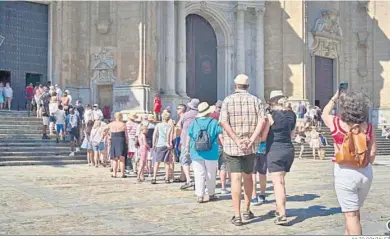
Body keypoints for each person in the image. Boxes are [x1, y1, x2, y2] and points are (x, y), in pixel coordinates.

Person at [322, 90, 376, 235]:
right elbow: (372, 154)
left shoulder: (335, 123)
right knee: (354, 213)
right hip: (365, 173)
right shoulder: (369, 127)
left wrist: (334, 98)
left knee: (351, 216)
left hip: (344, 172)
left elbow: (324, 113)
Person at [219, 74, 266, 226]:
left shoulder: (228, 100)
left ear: (235, 86)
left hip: (233, 146)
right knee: (248, 177)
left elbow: (224, 122)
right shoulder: (256, 100)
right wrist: (252, 139)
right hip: (250, 147)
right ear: (248, 86)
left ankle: (237, 215)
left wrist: (236, 139)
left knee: (235, 179)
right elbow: (262, 120)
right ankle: (247, 209)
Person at [186, 102, 222, 203]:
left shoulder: (194, 122)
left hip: (196, 151)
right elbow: (220, 134)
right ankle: (211, 194)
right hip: (212, 151)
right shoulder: (214, 122)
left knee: (198, 174)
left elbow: (188, 136)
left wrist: (187, 148)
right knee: (211, 174)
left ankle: (200, 195)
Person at [209, 100, 230, 194]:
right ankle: (223, 187)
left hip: (213, 145)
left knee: (211, 167)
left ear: (215, 106)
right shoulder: (224, 117)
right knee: (223, 166)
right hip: (222, 144)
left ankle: (210, 187)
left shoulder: (210, 117)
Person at [178, 98, 200, 190]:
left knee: (185, 160)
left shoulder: (186, 115)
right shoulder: (199, 115)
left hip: (185, 140)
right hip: (197, 141)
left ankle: (188, 180)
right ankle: (197, 180)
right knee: (196, 161)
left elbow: (180, 126)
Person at [152, 111, 174, 184]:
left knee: (157, 162)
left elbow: (155, 135)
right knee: (167, 163)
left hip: (159, 144)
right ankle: (167, 178)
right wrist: (169, 143)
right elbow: (170, 136)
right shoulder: (170, 126)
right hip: (166, 145)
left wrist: (153, 143)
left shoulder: (158, 125)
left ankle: (154, 178)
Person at [108, 112, 128, 178]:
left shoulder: (111, 124)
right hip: (121, 139)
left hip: (114, 139)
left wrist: (108, 135)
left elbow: (104, 129)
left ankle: (114, 174)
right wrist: (127, 142)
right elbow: (126, 135)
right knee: (122, 158)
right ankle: (122, 174)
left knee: (114, 158)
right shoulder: (123, 124)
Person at [172, 104, 187, 183]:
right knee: (182, 158)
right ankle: (182, 175)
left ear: (182, 109)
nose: (177, 110)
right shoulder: (181, 118)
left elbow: (181, 130)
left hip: (181, 139)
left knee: (183, 158)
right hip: (179, 139)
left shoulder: (183, 118)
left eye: (178, 108)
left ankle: (183, 176)